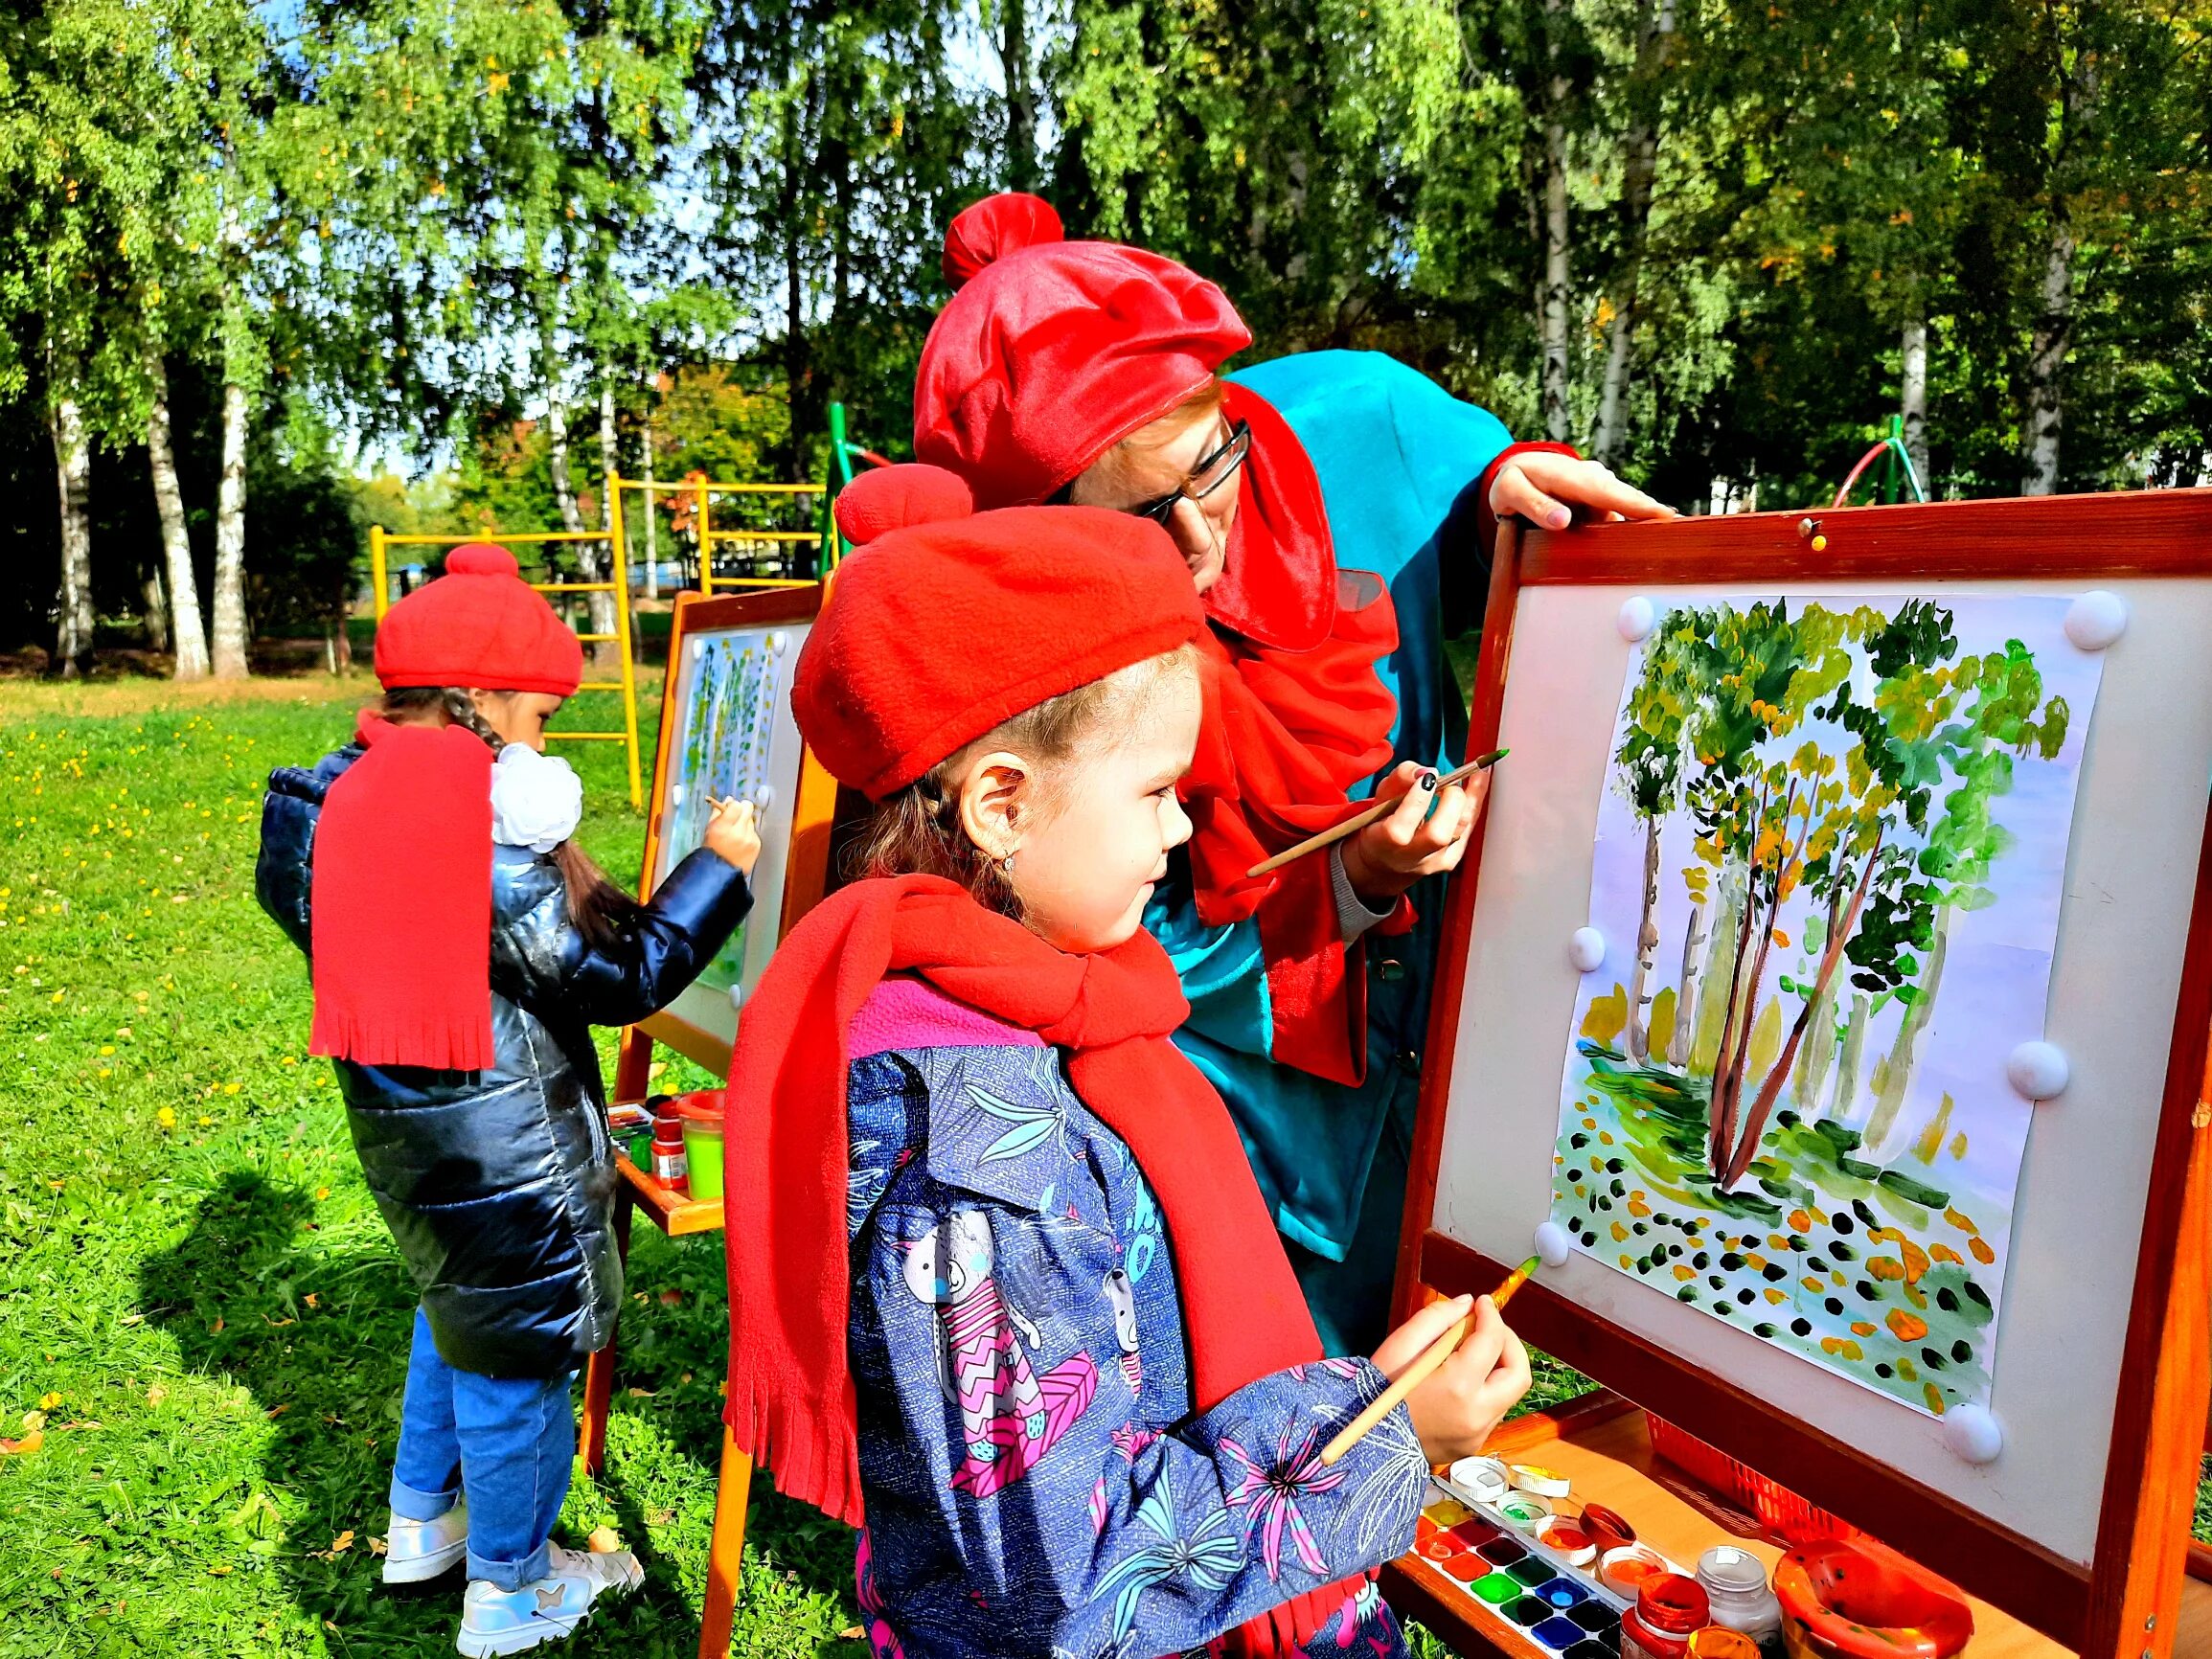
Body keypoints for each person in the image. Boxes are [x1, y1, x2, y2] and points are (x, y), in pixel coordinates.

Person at [720, 480, 1532, 1658]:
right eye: (1154, 791)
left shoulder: (1044, 1001)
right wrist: (1385, 1438)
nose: (1178, 832)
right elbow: (1070, 1576)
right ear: (1001, 802)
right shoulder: (975, 1155)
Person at [908, 193, 1675, 1354]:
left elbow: (1460, 479)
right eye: (1139, 523)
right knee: (1283, 1387)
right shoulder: (1027, 636)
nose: (1201, 542)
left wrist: (1503, 487)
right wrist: (1357, 874)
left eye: (1206, 468)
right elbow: (1102, 932)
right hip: (1246, 1098)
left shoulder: (1357, 417)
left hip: (1460, 1013)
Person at [255, 544, 761, 1657]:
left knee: (458, 1315)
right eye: (536, 716)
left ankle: (420, 1526)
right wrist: (719, 864)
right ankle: (512, 1589)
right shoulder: (468, 833)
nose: (541, 743)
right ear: (477, 703)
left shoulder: (333, 804)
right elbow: (620, 979)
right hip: (506, 1144)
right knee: (523, 1355)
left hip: (408, 1130)